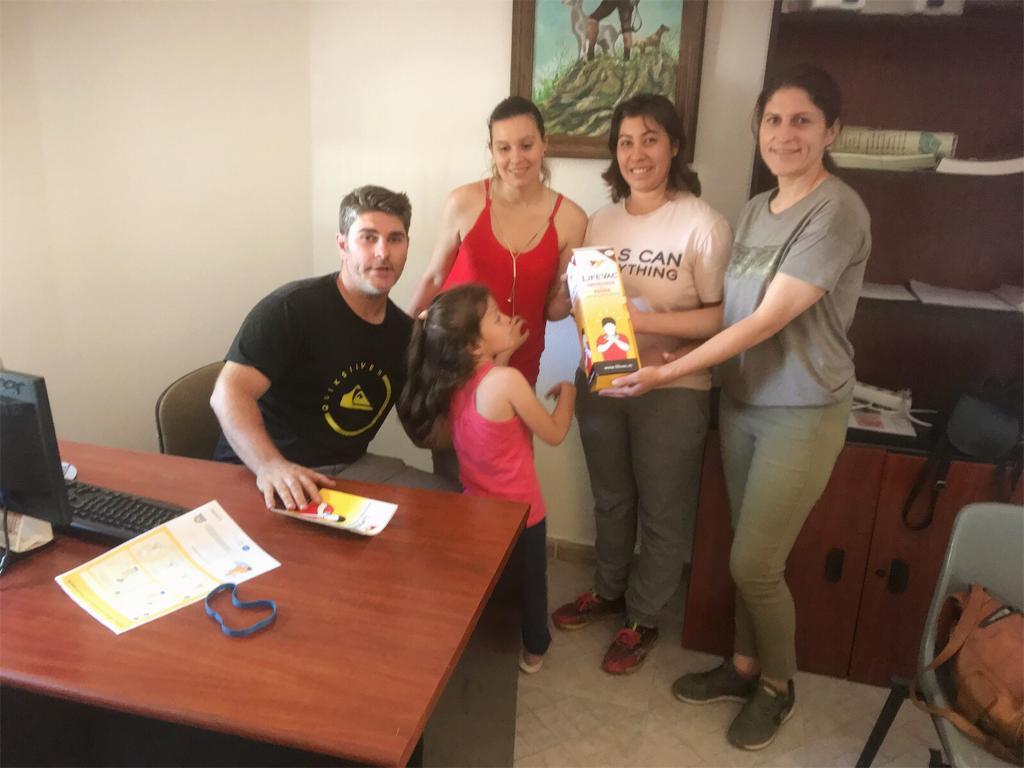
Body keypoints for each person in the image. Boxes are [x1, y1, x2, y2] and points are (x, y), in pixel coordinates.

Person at [607, 66, 871, 750]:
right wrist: (672, 349)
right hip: (743, 401)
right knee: (749, 556)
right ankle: (744, 666)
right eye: (772, 121)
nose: (784, 134)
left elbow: (765, 320)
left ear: (831, 131)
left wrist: (670, 372)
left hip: (801, 408)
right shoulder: (756, 211)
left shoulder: (837, 210)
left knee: (754, 563)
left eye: (802, 121)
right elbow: (730, 312)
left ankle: (779, 687)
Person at [551, 94, 733, 676]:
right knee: (610, 498)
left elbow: (719, 318)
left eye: (650, 139)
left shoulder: (704, 223)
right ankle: (608, 591)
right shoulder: (600, 220)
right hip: (602, 383)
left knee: (662, 509)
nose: (637, 153)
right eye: (626, 142)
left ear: (674, 145)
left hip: (673, 389)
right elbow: (584, 301)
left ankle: (644, 617)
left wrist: (641, 322)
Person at [211, 185, 453, 510]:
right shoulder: (291, 308)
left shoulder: (405, 334)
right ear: (342, 245)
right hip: (258, 470)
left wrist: (481, 390)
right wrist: (270, 466)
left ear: (406, 247)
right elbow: (228, 393)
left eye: (395, 239)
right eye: (368, 238)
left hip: (346, 471)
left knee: (459, 505)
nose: (383, 252)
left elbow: (423, 433)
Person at [398, 283, 576, 674]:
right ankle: (534, 649)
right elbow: (554, 432)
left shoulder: (453, 381)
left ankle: (488, 641)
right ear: (475, 346)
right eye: (496, 318)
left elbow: (488, 387)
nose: (507, 319)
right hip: (523, 515)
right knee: (530, 582)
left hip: (478, 509)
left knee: (491, 580)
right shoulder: (507, 382)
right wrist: (569, 393)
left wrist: (505, 351)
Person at [406, 96, 587, 390]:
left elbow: (552, 311)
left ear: (544, 143)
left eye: (526, 145)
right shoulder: (463, 202)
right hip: (452, 357)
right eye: (504, 148)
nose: (516, 158)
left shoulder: (572, 219)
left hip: (519, 361)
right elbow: (435, 277)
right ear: (492, 150)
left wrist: (568, 296)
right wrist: (401, 338)